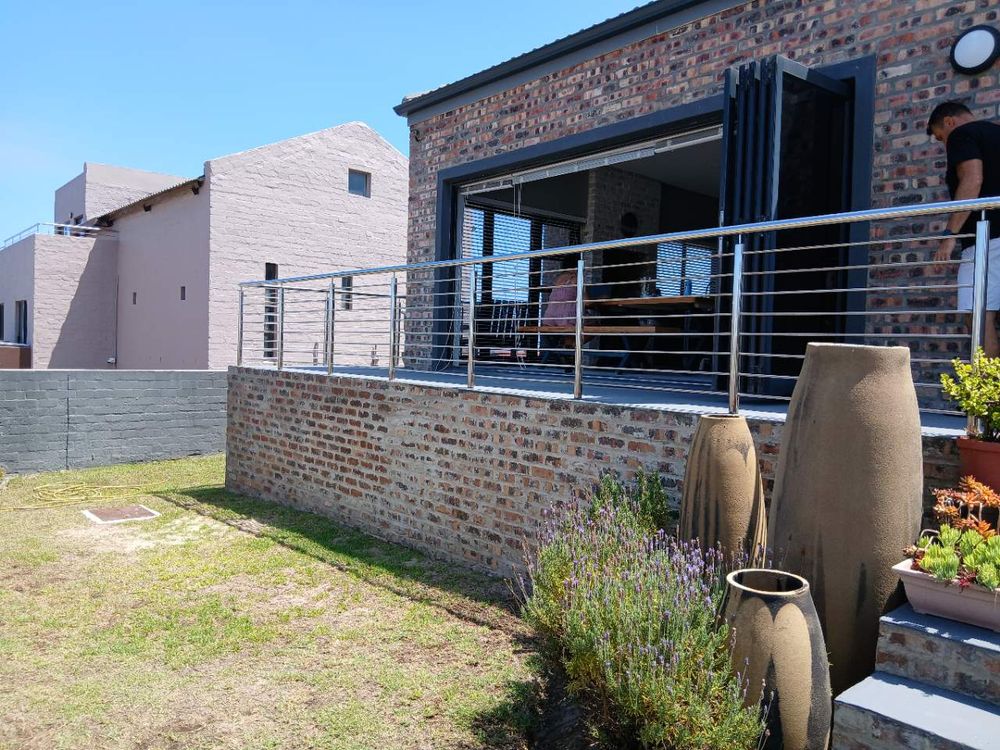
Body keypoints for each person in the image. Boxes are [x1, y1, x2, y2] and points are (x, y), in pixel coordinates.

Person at [927, 101, 1000, 356]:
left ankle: (985, 385)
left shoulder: (962, 134)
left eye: (940, 137)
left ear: (950, 122)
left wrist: (950, 235)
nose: (944, 144)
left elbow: (972, 179)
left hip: (988, 239)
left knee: (977, 318)